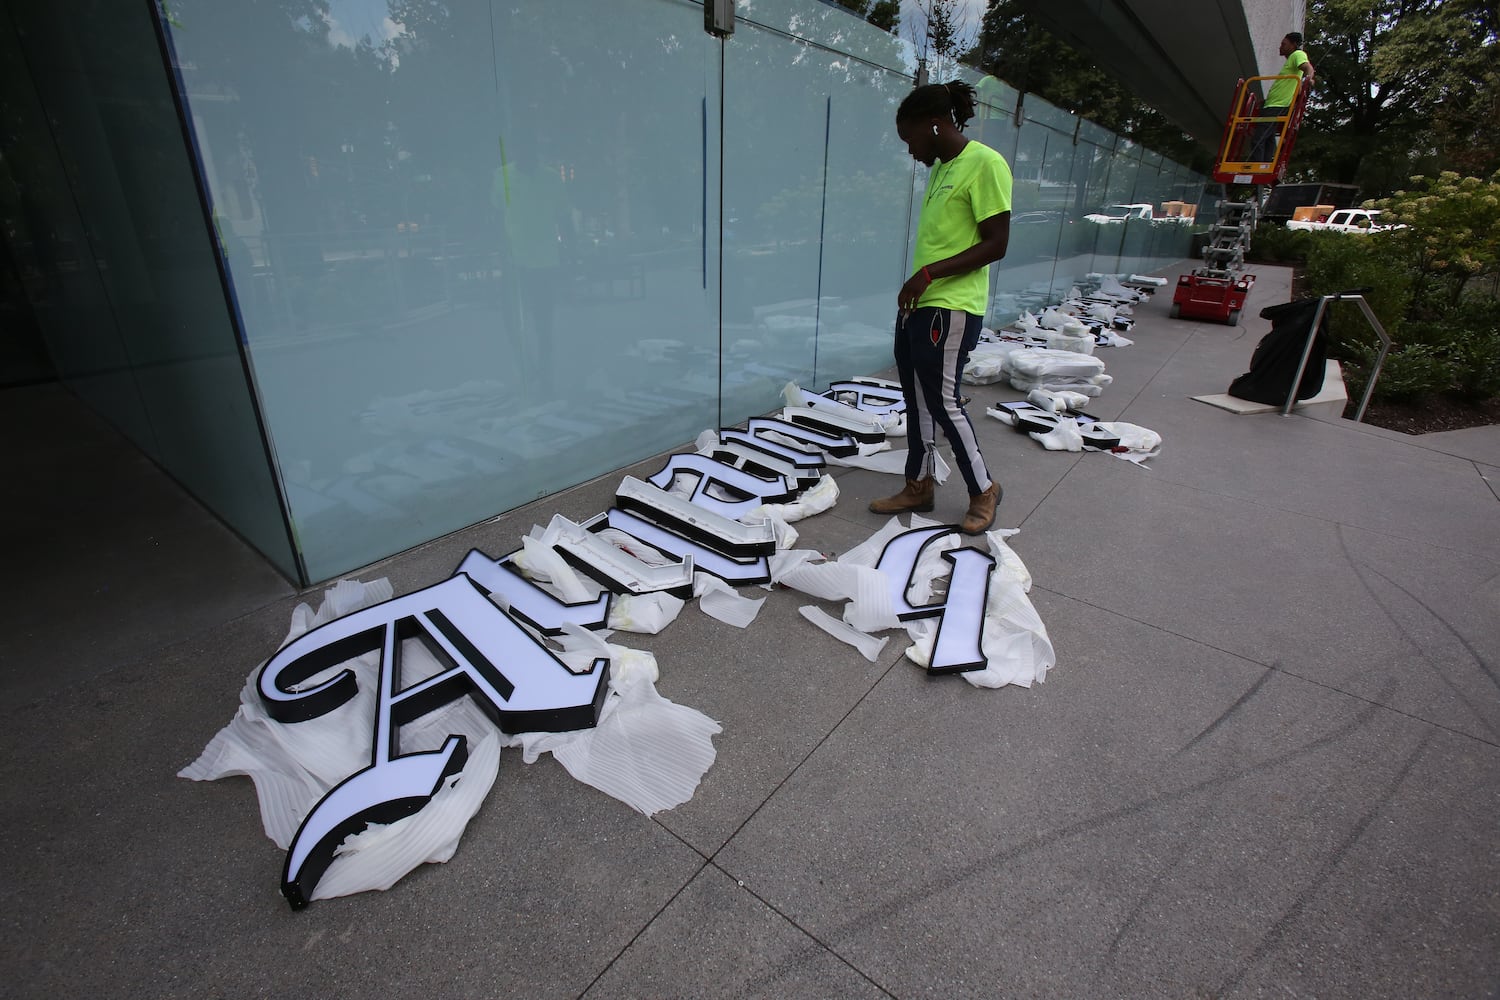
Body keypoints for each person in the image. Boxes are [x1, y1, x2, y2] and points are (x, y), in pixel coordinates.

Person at [868, 80, 1012, 535]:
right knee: (917, 400)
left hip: (950, 308)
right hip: (920, 306)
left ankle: (983, 489)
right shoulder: (941, 168)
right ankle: (919, 484)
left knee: (944, 402)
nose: (910, 150)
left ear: (933, 125)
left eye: (909, 139)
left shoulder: (985, 164)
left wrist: (927, 275)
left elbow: (996, 244)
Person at [1251, 32, 1314, 162]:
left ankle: (1257, 168)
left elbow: (1308, 67)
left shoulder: (1298, 54)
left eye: (1284, 44)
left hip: (1277, 106)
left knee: (1258, 138)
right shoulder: (1291, 61)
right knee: (1268, 138)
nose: (1281, 47)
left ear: (1294, 44)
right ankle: (1265, 166)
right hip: (1273, 104)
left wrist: (1309, 79)